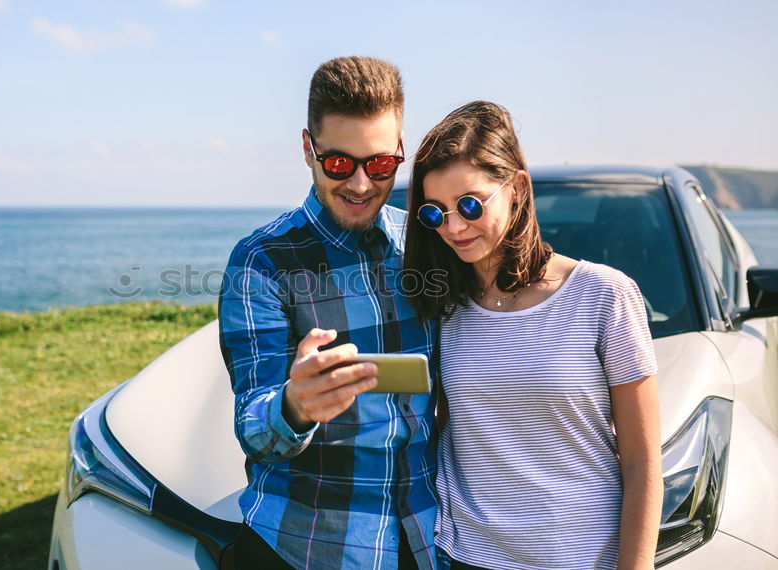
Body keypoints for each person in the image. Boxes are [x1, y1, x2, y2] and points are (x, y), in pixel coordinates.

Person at [402, 100, 663, 570]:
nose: (454, 227)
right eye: (435, 214)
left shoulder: (605, 296)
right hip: (465, 557)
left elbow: (643, 465)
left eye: (469, 204)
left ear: (517, 188)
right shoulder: (443, 308)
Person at [218, 56, 441, 569]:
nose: (361, 184)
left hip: (428, 541)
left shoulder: (427, 244)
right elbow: (254, 427)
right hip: (306, 548)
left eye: (381, 164)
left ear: (400, 151)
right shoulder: (261, 262)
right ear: (307, 148)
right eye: (339, 162)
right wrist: (294, 406)